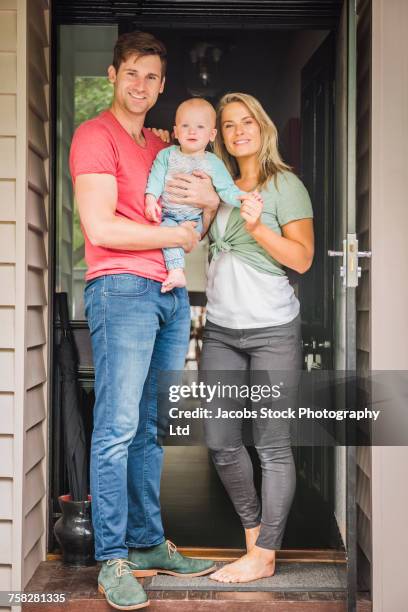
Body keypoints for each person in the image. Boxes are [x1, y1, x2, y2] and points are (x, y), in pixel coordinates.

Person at [69, 31, 218, 611]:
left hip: (169, 295)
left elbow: (196, 223)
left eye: (153, 77)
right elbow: (101, 228)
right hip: (122, 290)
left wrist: (203, 210)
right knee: (117, 427)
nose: (141, 85)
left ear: (162, 84)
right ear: (112, 74)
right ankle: (113, 558)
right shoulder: (94, 136)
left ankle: (149, 542)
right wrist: (176, 234)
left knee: (154, 427)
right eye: (132, 72)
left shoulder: (161, 144)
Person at [199, 92, 315, 583]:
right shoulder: (219, 185)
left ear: (262, 127)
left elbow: (303, 258)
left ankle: (265, 554)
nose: (238, 131)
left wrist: (256, 228)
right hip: (222, 330)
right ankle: (254, 543)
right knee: (222, 442)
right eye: (228, 125)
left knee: (271, 445)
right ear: (219, 135)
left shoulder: (284, 185)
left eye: (247, 121)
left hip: (272, 330)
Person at [145, 97, 244, 293]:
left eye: (200, 126)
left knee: (181, 235)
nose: (192, 131)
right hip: (169, 215)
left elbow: (226, 188)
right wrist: (150, 198)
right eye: (185, 126)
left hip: (194, 219)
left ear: (212, 134)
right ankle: (176, 271)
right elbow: (155, 177)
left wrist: (244, 199)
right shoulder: (167, 155)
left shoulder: (213, 162)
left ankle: (176, 269)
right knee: (168, 231)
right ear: (175, 131)